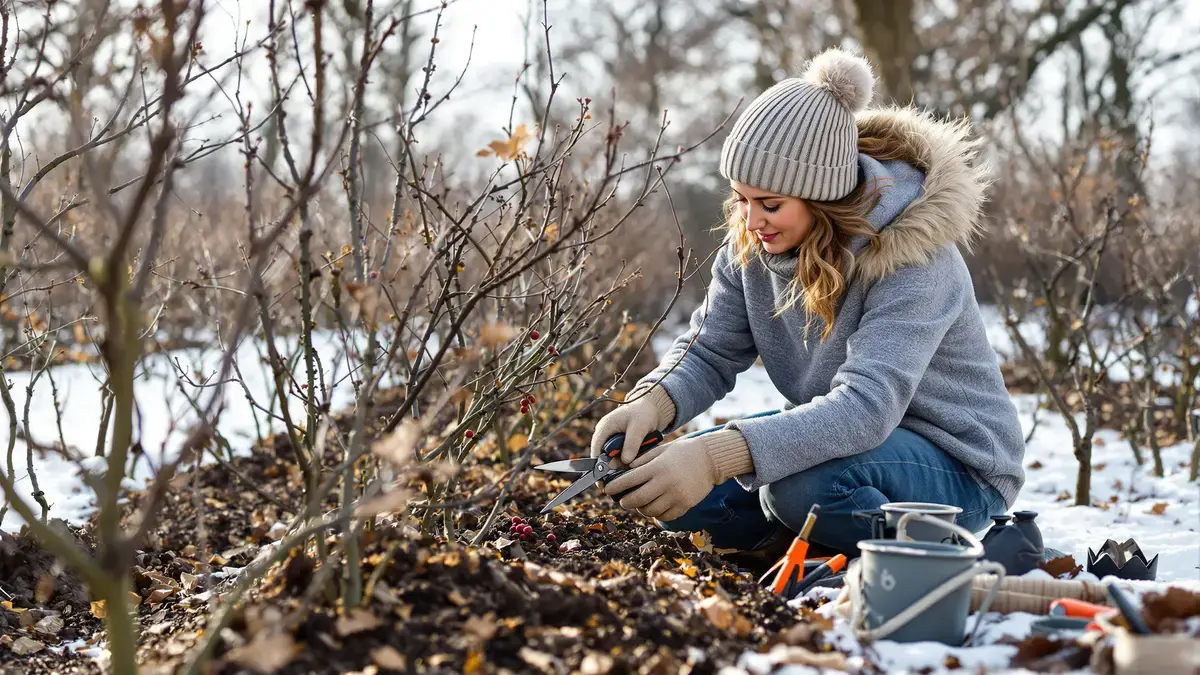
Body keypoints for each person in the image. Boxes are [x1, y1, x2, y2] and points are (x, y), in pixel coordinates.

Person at [590, 48, 1026, 560]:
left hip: (958, 466)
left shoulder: (914, 258)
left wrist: (713, 456)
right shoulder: (754, 242)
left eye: (770, 204)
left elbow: (866, 408)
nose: (751, 220)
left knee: (796, 489)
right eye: (741, 198)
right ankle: (799, 542)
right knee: (666, 484)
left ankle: (936, 555)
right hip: (851, 446)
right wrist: (650, 404)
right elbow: (710, 351)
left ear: (822, 198)